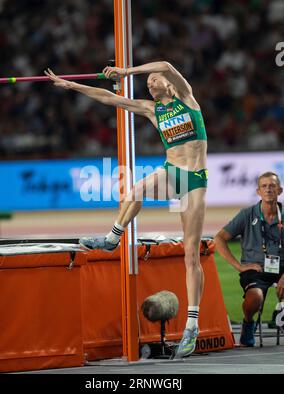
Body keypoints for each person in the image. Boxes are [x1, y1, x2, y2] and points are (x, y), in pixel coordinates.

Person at [45, 61, 208, 358]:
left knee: (190, 253)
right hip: (172, 171)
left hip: (194, 179)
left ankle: (192, 325)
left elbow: (166, 64)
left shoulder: (186, 97)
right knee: (135, 190)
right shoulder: (151, 109)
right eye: (148, 83)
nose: (151, 83)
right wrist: (72, 86)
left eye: (154, 80)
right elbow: (110, 99)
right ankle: (112, 237)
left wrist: (126, 72)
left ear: (169, 84)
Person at [214, 172, 284, 346]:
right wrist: (239, 266)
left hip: (282, 268)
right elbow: (219, 238)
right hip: (255, 270)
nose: (268, 189)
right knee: (256, 297)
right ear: (258, 191)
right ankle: (248, 323)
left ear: (280, 190)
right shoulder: (247, 214)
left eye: (272, 186)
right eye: (264, 186)